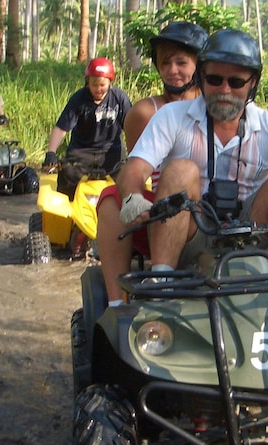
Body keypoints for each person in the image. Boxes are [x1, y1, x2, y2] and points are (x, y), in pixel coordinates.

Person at [115, 29, 268, 288]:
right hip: (192, 231)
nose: (224, 89)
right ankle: (161, 279)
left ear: (252, 83)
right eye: (215, 79)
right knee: (180, 170)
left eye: (236, 82)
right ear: (202, 77)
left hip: (254, 231)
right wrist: (132, 195)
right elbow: (137, 166)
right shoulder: (172, 116)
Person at [94, 21, 208, 303]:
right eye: (165, 62)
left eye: (181, 62)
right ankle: (117, 303)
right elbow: (141, 168)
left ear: (200, 65)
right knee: (110, 200)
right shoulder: (146, 112)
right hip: (165, 210)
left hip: (208, 212)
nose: (172, 70)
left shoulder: (216, 104)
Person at [43, 57, 132, 199]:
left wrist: (136, 154)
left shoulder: (119, 98)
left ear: (110, 82)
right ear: (87, 82)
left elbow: (131, 128)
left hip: (111, 152)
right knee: (67, 176)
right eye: (94, 84)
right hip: (81, 152)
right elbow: (61, 128)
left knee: (129, 180)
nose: (98, 89)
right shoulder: (79, 99)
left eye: (102, 85)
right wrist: (51, 153)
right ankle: (67, 218)